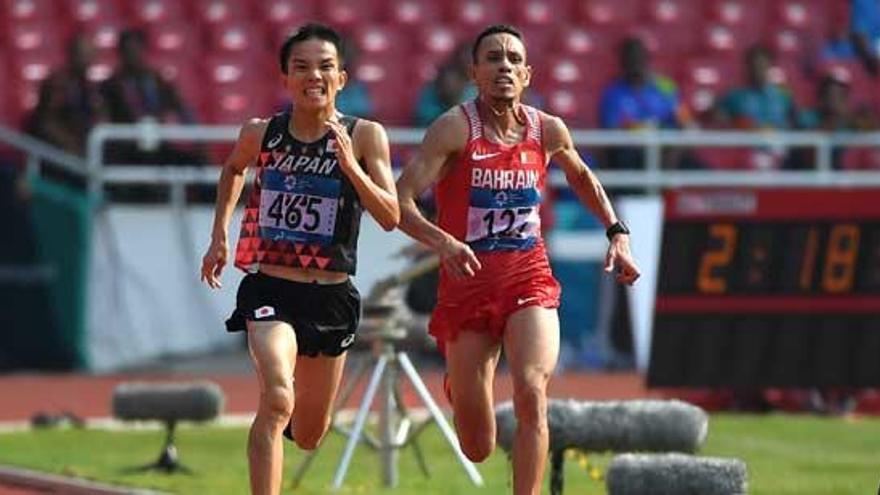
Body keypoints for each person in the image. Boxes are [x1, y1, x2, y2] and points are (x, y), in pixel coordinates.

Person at [395, 25, 640, 495]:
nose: (503, 66)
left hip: (528, 279)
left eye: (513, 59)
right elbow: (401, 201)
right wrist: (442, 241)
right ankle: (463, 385)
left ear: (526, 74)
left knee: (531, 391)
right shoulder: (452, 128)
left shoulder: (546, 129)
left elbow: (583, 176)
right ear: (475, 72)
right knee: (477, 444)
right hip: (466, 287)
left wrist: (617, 232)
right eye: (492, 58)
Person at [199, 23, 399, 495]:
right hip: (270, 289)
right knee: (276, 399)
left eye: (326, 67)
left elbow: (390, 215)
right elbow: (232, 168)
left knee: (309, 434)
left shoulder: (367, 136)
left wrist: (351, 166)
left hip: (331, 297)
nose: (315, 76)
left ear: (342, 79)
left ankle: (296, 419)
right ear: (285, 78)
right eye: (302, 67)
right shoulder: (262, 133)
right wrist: (219, 237)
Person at [28, 33, 106, 156]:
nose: (87, 60)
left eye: (90, 55)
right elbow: (46, 122)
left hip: (87, 150)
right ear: (72, 54)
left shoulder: (91, 87)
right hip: (60, 155)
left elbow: (100, 117)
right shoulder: (58, 83)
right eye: (82, 54)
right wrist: (71, 146)